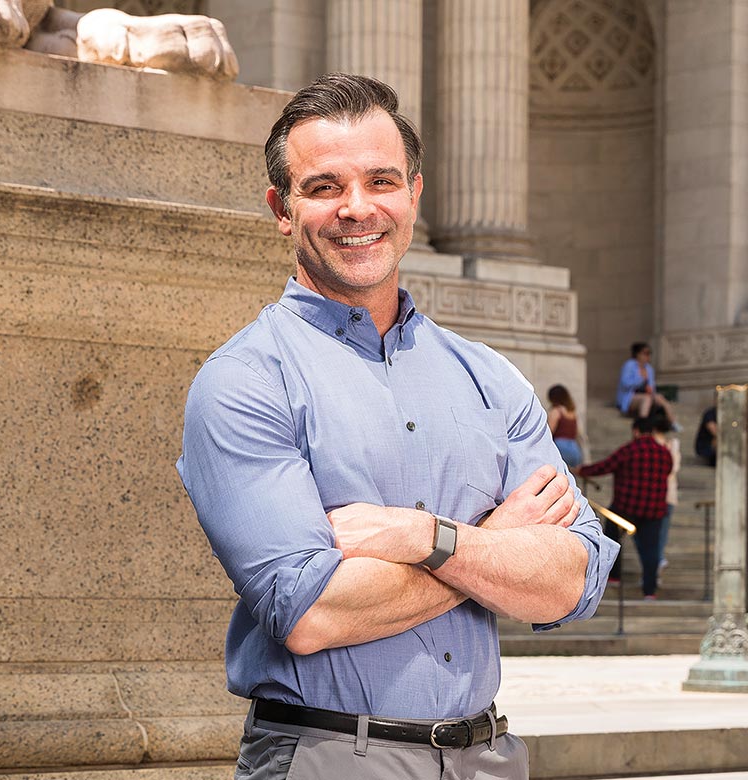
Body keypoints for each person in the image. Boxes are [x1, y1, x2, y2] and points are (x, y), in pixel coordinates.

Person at [177, 73, 616, 780]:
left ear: (414, 193)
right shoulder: (245, 382)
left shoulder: (490, 378)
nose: (358, 209)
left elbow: (574, 582)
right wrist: (493, 547)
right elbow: (311, 614)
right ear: (281, 209)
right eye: (323, 187)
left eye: (382, 181)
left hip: (490, 759)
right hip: (330, 757)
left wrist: (424, 538)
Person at [575, 415, 673, 600]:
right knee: (651, 550)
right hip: (654, 509)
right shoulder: (664, 453)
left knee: (612, 538)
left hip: (625, 507)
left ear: (636, 431)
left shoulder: (630, 450)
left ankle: (614, 576)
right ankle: (649, 590)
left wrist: (583, 471)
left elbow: (606, 466)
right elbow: (667, 471)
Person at [616, 342, 677, 428]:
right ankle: (642, 426)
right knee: (646, 399)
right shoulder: (629, 365)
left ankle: (672, 422)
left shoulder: (649, 368)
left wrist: (650, 389)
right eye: (645, 353)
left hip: (645, 394)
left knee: (659, 398)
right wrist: (640, 379)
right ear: (637, 354)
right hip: (629, 396)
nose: (647, 356)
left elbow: (651, 386)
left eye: (649, 353)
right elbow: (625, 384)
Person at [650, 414, 680, 573]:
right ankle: (656, 562)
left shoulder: (669, 445)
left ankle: (657, 560)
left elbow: (673, 468)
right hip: (664, 494)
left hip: (663, 494)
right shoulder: (669, 445)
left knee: (660, 532)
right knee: (658, 533)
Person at [546, 384, 582, 468]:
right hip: (574, 448)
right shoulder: (572, 413)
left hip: (560, 446)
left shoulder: (556, 411)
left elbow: (549, 432)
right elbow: (576, 432)